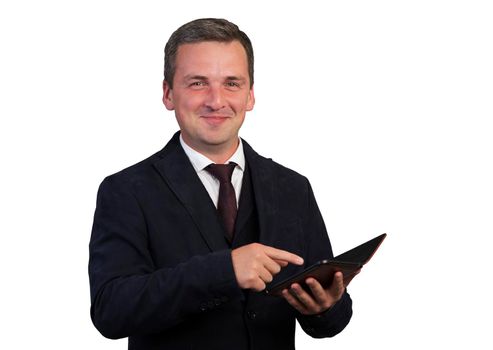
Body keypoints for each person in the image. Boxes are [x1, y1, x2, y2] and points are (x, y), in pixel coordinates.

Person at [89, 18, 356, 350]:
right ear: (168, 93)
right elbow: (110, 311)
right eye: (198, 83)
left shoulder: (293, 188)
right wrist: (223, 271)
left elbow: (332, 318)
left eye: (232, 83)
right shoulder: (126, 190)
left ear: (250, 95)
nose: (216, 101)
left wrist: (326, 308)